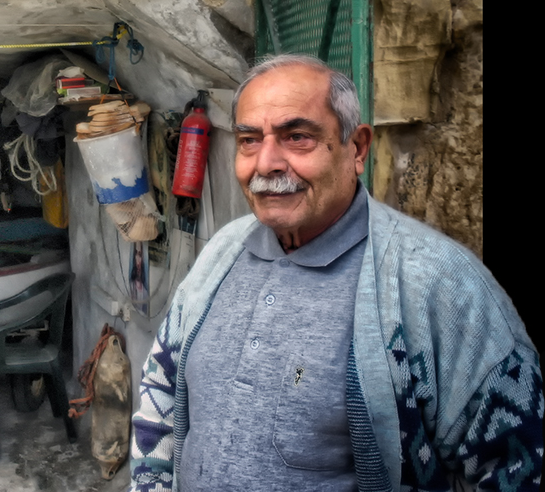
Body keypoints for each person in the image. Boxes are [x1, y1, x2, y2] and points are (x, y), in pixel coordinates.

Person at [129, 54, 542, 491]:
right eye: (249, 140)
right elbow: (162, 387)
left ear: (357, 148)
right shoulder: (222, 252)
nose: (266, 163)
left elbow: (519, 465)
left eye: (298, 137)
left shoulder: (440, 284)